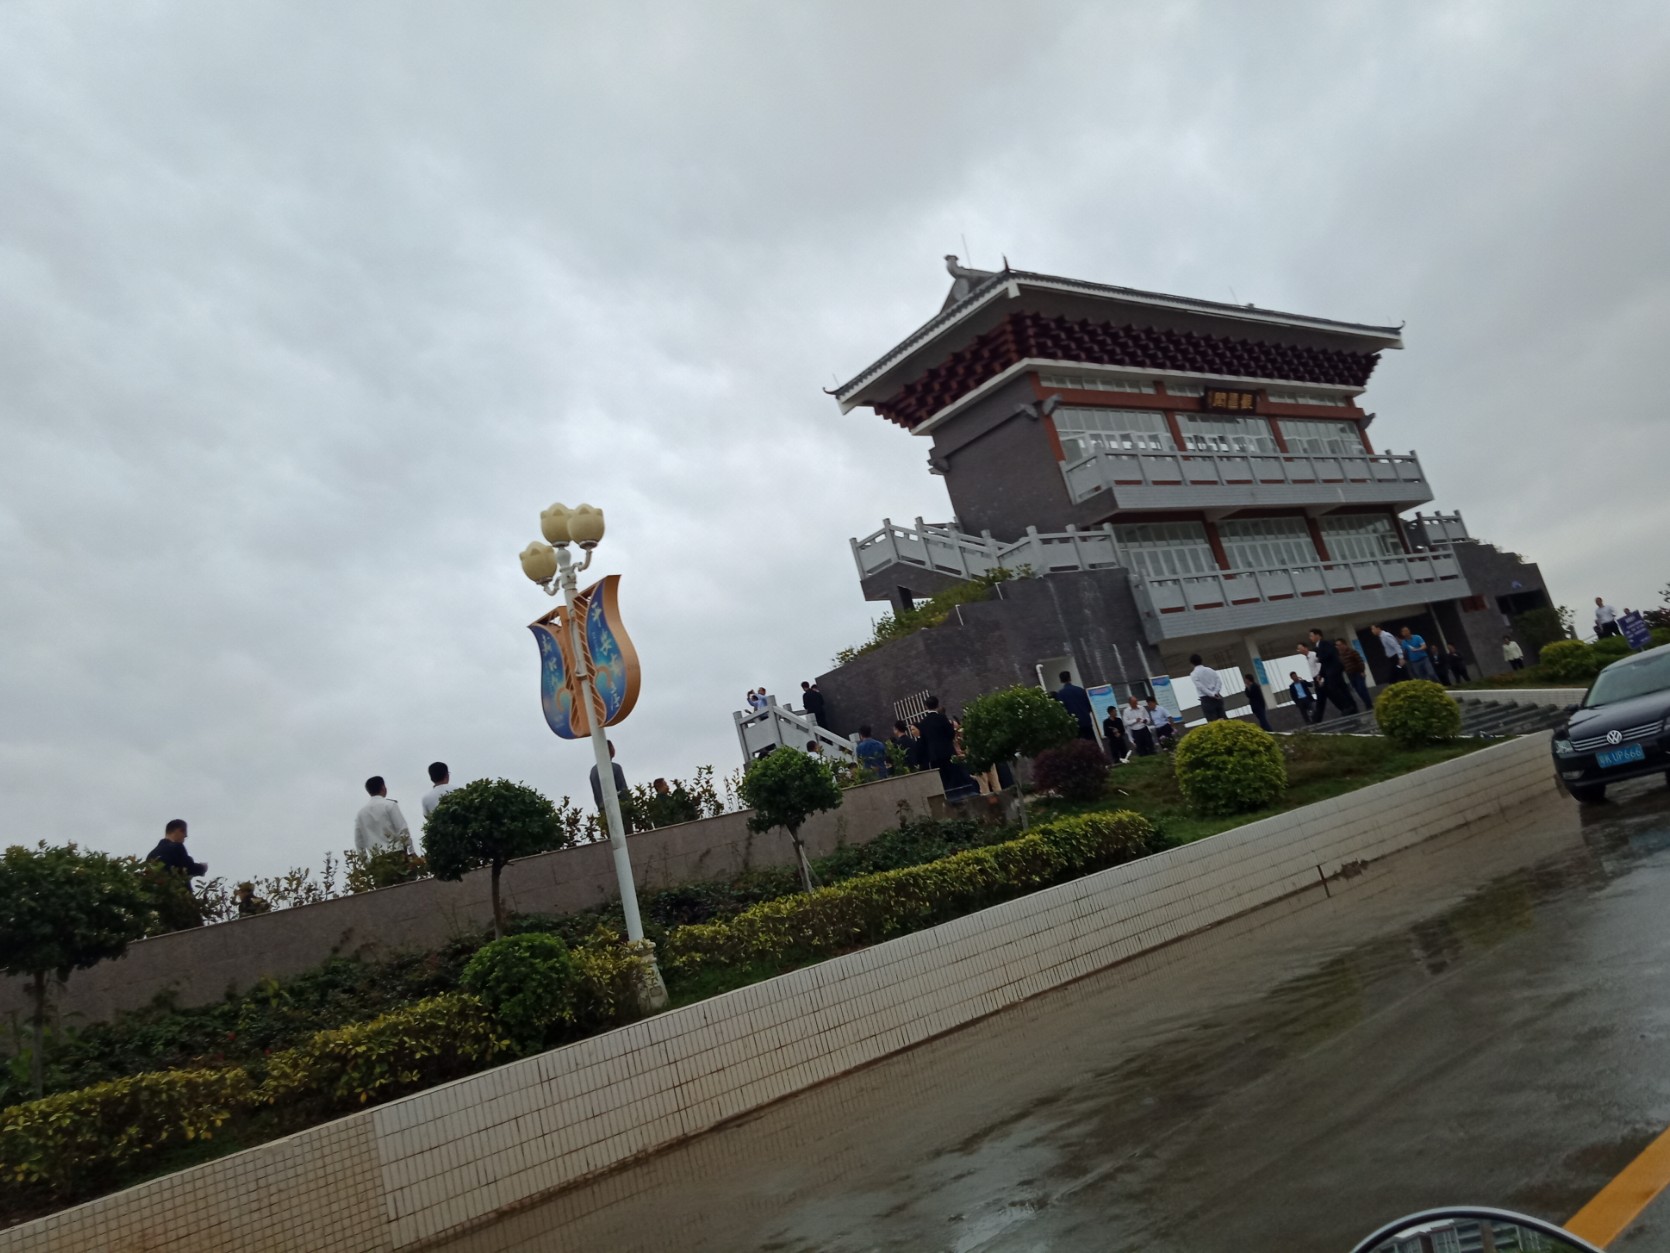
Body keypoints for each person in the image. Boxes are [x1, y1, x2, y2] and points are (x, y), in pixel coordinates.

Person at [1307, 629, 1358, 722]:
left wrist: (1320, 658)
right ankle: (1352, 707)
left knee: (1333, 687)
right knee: (1343, 688)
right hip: (1330, 670)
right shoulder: (1319, 646)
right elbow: (1324, 664)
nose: (1310, 638)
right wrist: (1321, 674)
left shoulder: (1324, 643)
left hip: (1334, 669)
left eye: (1311, 635)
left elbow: (1330, 654)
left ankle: (1347, 706)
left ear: (1318, 635)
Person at [354, 778, 410, 854]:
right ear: (383, 787)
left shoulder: (360, 813)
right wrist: (411, 851)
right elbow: (403, 829)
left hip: (376, 856)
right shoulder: (390, 805)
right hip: (396, 853)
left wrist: (365, 860)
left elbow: (359, 841)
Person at [589, 741, 629, 824]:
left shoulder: (593, 771)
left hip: (603, 812)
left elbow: (596, 795)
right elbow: (624, 791)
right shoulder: (615, 767)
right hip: (620, 810)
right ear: (610, 750)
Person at [1052, 671, 1096, 740]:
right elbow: (1089, 707)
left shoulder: (1061, 694)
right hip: (1086, 721)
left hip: (1073, 725)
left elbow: (1062, 710)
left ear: (1061, 680)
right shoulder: (1080, 690)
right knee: (1091, 742)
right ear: (1070, 678)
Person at [1336, 639, 1372, 711]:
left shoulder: (1352, 651)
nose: (1338, 647)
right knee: (1358, 690)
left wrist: (1362, 671)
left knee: (1362, 689)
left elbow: (1360, 661)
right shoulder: (1340, 655)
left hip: (1358, 673)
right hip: (1350, 675)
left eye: (1339, 645)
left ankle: (1369, 704)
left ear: (1344, 644)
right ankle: (1367, 703)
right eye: (1337, 645)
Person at [1189, 653, 1226, 721]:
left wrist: (1211, 694)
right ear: (1201, 660)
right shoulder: (1210, 670)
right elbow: (1219, 682)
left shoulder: (1193, 674)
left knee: (1212, 721)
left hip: (1206, 699)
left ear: (1191, 663)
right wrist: (1215, 692)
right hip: (1218, 697)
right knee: (1223, 720)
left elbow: (1201, 687)